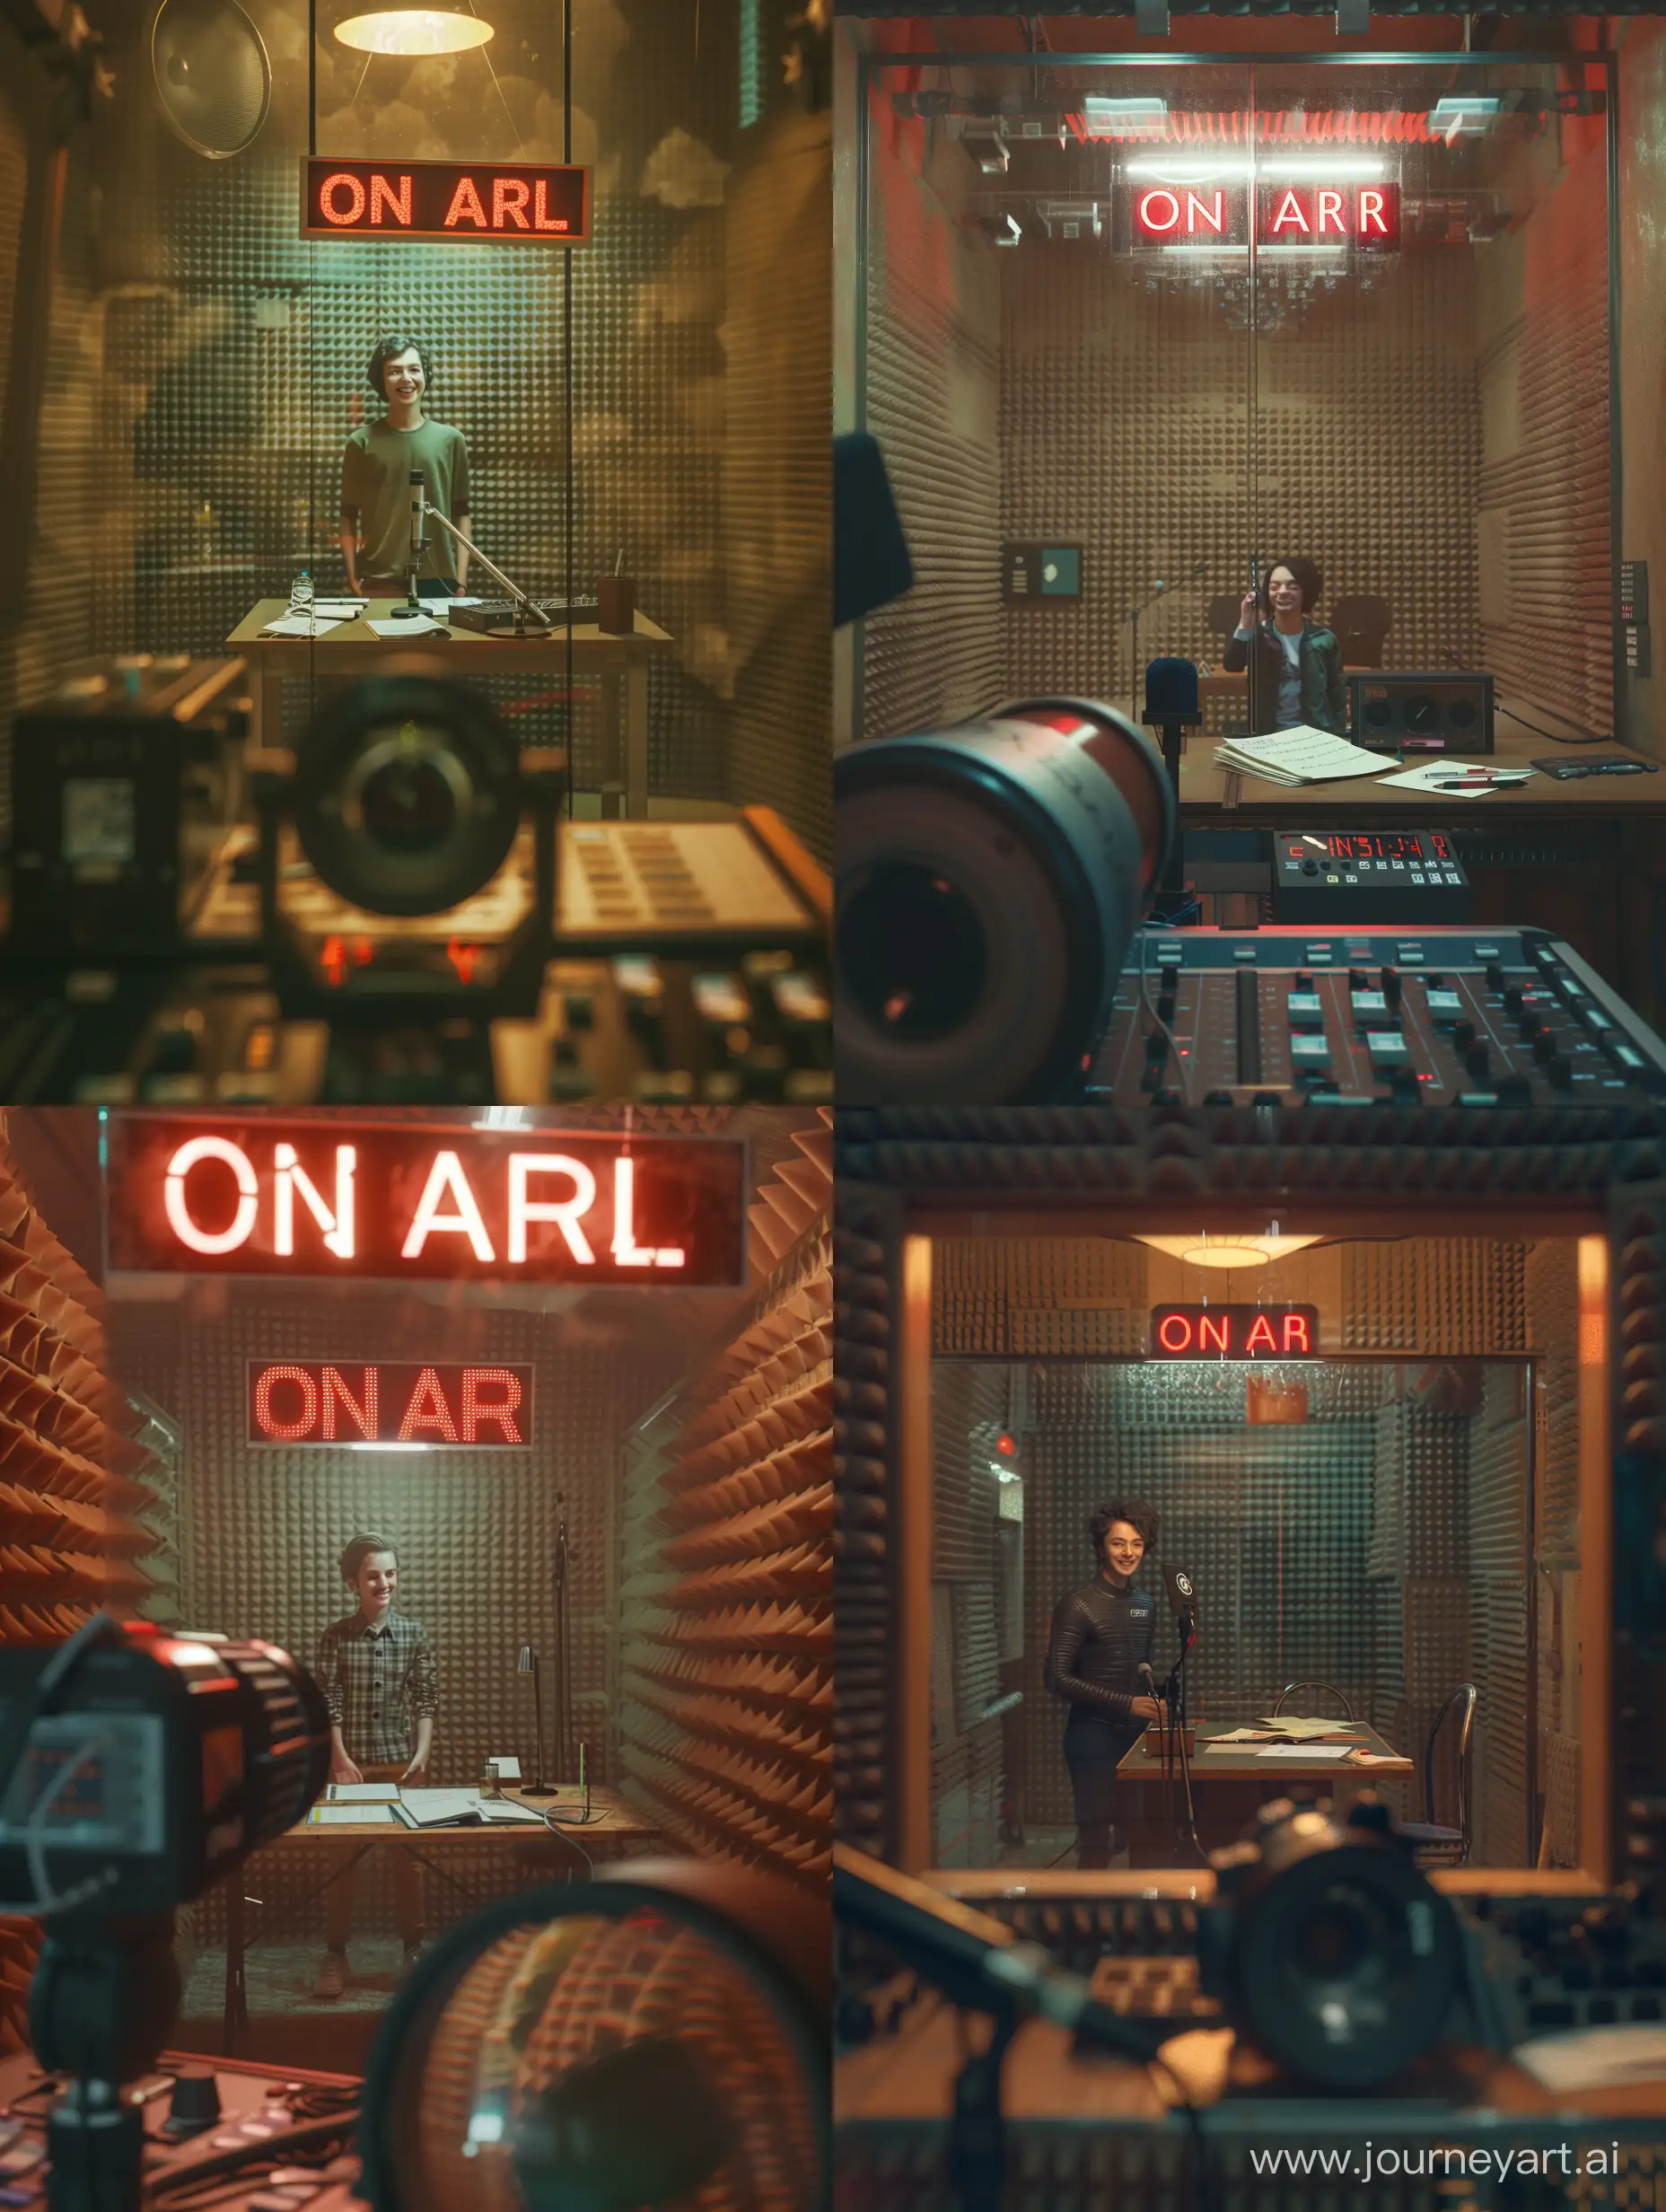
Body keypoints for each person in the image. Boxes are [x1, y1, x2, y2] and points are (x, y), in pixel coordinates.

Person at [312, 1530, 436, 1997]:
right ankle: (335, 1954)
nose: (383, 1582)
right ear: (352, 1583)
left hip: (401, 1765)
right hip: (351, 1766)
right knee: (343, 1863)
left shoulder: (414, 1633)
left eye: (390, 1573)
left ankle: (414, 1949)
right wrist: (339, 1756)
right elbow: (329, 1700)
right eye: (372, 1576)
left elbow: (425, 1697)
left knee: (410, 1863)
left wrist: (422, 1753)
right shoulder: (336, 1637)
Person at [1044, 1499, 1165, 1870]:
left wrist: (1156, 1698)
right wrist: (1127, 1703)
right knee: (1096, 1845)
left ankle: (1138, 1923)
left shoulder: (1145, 1603)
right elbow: (1056, 1678)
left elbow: (1136, 1668)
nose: (1128, 1553)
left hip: (1137, 1740)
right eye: (1118, 1543)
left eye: (1137, 1544)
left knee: (1140, 1838)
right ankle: (1089, 1924)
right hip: (1091, 1738)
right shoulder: (1078, 1605)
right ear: (1101, 1547)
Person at [339, 335, 472, 599]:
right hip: (379, 578)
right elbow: (347, 515)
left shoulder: (451, 440)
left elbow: (461, 514)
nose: (406, 378)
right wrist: (353, 575)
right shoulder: (360, 442)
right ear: (381, 380)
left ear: (425, 375)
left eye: (414, 369)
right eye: (395, 371)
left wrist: (461, 580)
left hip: (439, 579)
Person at [1223, 556, 1347, 736]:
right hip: (1269, 737)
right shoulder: (1259, 637)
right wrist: (1246, 621)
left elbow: (1337, 695)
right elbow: (1232, 665)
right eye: (1274, 587)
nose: (1282, 592)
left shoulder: (1324, 640)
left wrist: (1339, 736)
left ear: (1306, 591)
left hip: (1316, 735)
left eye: (1293, 586)